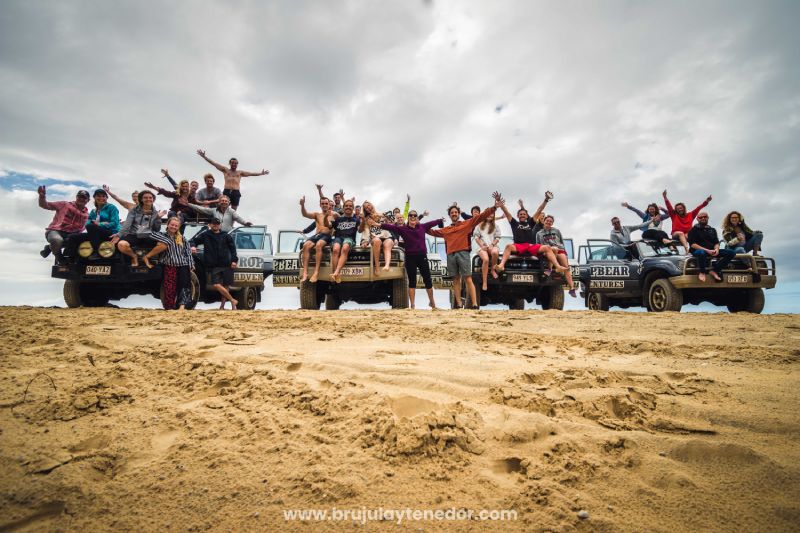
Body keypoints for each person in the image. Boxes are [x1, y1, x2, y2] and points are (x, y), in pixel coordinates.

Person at [427, 193, 502, 309]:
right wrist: (418, 225)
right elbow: (431, 232)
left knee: (468, 278)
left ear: (458, 214)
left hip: (464, 253)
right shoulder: (446, 230)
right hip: (451, 255)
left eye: (456, 212)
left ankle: (475, 304)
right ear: (450, 215)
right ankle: (458, 304)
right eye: (452, 213)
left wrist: (494, 207)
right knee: (455, 279)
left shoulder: (467, 224)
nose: (454, 214)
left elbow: (481, 216)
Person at [381, 210, 441, 309]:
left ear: (417, 218)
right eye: (410, 216)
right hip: (410, 257)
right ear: (408, 218)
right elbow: (391, 227)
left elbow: (433, 223)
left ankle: (433, 304)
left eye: (414, 216)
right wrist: (378, 225)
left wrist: (440, 220)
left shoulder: (422, 227)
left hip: (422, 257)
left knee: (428, 280)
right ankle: (412, 306)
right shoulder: (403, 229)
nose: (412, 217)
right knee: (412, 281)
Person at [493, 199, 565, 276]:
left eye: (524, 214)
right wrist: (500, 203)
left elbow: (539, 210)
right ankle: (501, 265)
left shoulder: (530, 222)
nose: (522, 215)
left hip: (530, 246)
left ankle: (557, 266)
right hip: (519, 246)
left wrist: (546, 200)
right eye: (520, 214)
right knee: (508, 246)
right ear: (518, 216)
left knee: (547, 247)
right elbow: (507, 212)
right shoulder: (514, 223)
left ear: (527, 216)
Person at [143, 217, 195, 310]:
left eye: (176, 225)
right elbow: (149, 233)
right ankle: (169, 307)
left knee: (184, 286)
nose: (173, 227)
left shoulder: (182, 238)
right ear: (167, 225)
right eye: (172, 225)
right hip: (169, 265)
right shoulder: (162, 235)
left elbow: (188, 252)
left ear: (178, 227)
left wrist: (191, 264)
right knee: (169, 287)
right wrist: (156, 218)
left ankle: (182, 307)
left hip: (183, 265)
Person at [189, 217, 239, 309]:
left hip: (227, 264)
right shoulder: (205, 235)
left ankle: (223, 306)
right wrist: (193, 247)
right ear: (210, 225)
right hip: (214, 266)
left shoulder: (226, 235)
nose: (215, 225)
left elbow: (233, 249)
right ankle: (232, 300)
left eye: (217, 224)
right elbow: (193, 241)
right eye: (213, 223)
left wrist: (234, 260)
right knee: (216, 285)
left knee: (226, 286)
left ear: (219, 225)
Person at [197, 149, 269, 209]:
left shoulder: (240, 173)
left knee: (233, 210)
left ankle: (231, 225)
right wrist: (204, 157)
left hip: (236, 192)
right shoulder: (225, 170)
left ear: (237, 164)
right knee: (224, 208)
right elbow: (214, 163)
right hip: (227, 191)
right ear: (230, 164)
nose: (234, 164)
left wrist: (261, 173)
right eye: (232, 163)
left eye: (235, 163)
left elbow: (251, 173)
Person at [37, 186, 90, 264]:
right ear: (76, 197)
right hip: (56, 231)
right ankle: (60, 258)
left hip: (71, 236)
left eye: (84, 198)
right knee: (57, 240)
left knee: (80, 241)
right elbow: (45, 205)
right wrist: (42, 196)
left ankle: (49, 248)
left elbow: (87, 226)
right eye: (80, 197)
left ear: (88, 200)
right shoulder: (64, 204)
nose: (81, 199)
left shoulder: (87, 214)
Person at [111, 190, 161, 267]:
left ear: (153, 199)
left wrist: (158, 218)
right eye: (145, 197)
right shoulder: (134, 210)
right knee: (121, 244)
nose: (148, 199)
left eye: (150, 197)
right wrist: (119, 235)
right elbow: (127, 224)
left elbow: (157, 229)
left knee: (165, 244)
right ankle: (134, 256)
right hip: (134, 234)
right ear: (141, 199)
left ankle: (147, 257)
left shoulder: (155, 212)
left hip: (148, 235)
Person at [65, 189, 120, 258]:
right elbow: (87, 223)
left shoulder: (112, 208)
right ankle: (71, 259)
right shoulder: (93, 211)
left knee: (91, 227)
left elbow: (114, 223)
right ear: (94, 197)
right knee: (72, 237)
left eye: (104, 196)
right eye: (99, 196)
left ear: (106, 198)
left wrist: (99, 224)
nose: (101, 198)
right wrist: (95, 223)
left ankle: (96, 251)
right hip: (95, 234)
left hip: (110, 233)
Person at [687, 212, 736, 282]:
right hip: (698, 251)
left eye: (705, 217)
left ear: (708, 218)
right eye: (701, 217)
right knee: (702, 252)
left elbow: (716, 242)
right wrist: (707, 250)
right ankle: (702, 272)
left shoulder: (712, 230)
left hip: (712, 250)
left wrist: (716, 249)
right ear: (697, 219)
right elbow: (692, 244)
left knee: (732, 253)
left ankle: (715, 270)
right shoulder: (693, 230)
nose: (703, 218)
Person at [536, 216, 577, 297]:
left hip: (559, 249)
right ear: (544, 221)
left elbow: (561, 242)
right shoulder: (539, 233)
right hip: (546, 251)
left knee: (566, 267)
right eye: (547, 220)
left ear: (552, 223)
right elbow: (538, 245)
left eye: (550, 221)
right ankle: (550, 269)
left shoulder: (556, 231)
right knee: (554, 249)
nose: (548, 222)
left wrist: (563, 251)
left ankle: (572, 289)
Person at [299, 196, 334, 283]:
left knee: (319, 245)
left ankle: (316, 272)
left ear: (329, 204)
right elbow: (305, 214)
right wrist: (302, 205)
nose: (324, 205)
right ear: (320, 205)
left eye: (326, 203)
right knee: (305, 246)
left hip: (326, 236)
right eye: (322, 204)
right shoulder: (317, 215)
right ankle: (305, 272)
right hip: (317, 235)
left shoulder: (334, 215)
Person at [360, 201, 395, 277]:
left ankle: (387, 265)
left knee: (388, 244)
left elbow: (393, 222)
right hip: (375, 237)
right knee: (377, 241)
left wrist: (385, 218)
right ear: (365, 210)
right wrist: (365, 241)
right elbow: (366, 231)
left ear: (372, 205)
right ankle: (377, 266)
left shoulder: (382, 215)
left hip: (386, 236)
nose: (368, 207)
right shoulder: (366, 220)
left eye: (369, 205)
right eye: (366, 207)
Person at [329, 199, 360, 283]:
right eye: (346, 206)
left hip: (349, 239)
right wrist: (326, 216)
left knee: (345, 247)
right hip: (339, 238)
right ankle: (335, 274)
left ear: (353, 208)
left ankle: (336, 272)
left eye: (350, 206)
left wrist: (363, 220)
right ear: (343, 208)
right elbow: (328, 226)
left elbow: (361, 230)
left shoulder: (356, 220)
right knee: (335, 249)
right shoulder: (338, 219)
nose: (348, 207)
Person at [186, 195, 252, 232]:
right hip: (217, 234)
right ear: (219, 202)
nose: (224, 202)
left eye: (226, 201)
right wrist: (188, 204)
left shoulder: (231, 211)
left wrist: (245, 223)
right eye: (222, 201)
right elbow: (202, 209)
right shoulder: (214, 210)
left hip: (228, 234)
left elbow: (238, 218)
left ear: (229, 203)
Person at [473, 213, 501, 291]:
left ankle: (492, 270)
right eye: (488, 214)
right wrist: (482, 245)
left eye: (492, 215)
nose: (490, 216)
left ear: (494, 216)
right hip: (482, 247)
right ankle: (484, 282)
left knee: (495, 252)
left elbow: (497, 237)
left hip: (492, 245)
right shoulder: (479, 226)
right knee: (486, 259)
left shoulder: (496, 226)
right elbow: (476, 237)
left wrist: (492, 244)